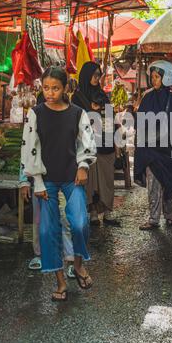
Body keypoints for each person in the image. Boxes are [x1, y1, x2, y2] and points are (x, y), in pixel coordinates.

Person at [21, 65, 97, 301]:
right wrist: (36, 182)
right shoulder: (36, 113)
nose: (50, 93)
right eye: (46, 88)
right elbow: (29, 148)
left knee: (79, 223)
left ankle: (79, 265)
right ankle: (61, 282)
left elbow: (87, 142)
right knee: (47, 230)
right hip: (46, 180)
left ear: (65, 88)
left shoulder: (77, 113)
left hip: (72, 176)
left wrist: (83, 166)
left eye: (55, 88)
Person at [134, 60, 172, 231]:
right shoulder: (148, 98)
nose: (154, 80)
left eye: (157, 77)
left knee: (170, 182)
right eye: (152, 77)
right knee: (154, 184)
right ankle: (153, 218)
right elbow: (140, 122)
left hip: (170, 150)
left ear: (167, 78)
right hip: (152, 151)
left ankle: (169, 215)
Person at [72, 61, 120, 227]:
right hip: (87, 145)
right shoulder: (77, 97)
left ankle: (107, 212)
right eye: (94, 75)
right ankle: (92, 213)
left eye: (99, 75)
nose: (96, 78)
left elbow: (110, 117)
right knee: (91, 181)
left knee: (107, 179)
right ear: (86, 75)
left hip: (105, 144)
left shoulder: (102, 94)